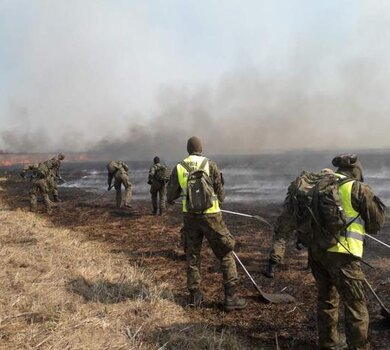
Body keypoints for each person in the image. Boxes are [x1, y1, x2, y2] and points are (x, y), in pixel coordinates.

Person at [273, 154, 386, 350]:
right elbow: (376, 225)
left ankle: (329, 343)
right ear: (356, 171)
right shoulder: (358, 188)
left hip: (317, 253)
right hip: (344, 255)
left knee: (326, 299)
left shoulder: (319, 187)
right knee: (356, 305)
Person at [167, 136, 246, 311]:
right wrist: (218, 204)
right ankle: (230, 297)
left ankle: (195, 296)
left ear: (188, 150)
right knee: (225, 253)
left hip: (190, 217)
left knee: (193, 257)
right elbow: (220, 192)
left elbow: (170, 196)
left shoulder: (179, 167)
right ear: (201, 149)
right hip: (212, 216)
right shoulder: (210, 164)